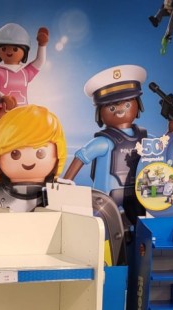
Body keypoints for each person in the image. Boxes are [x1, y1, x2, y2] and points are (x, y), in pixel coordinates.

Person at [63, 64, 148, 225]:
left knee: (140, 223)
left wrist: (172, 133)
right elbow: (81, 156)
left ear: (138, 105)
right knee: (101, 225)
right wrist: (65, 183)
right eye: (112, 107)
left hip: (137, 191)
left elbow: (160, 146)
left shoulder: (143, 137)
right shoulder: (104, 141)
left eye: (127, 105)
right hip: (107, 195)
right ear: (100, 113)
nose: (120, 111)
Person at [0, 104, 66, 212]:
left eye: (40, 153)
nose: (28, 160)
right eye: (15, 154)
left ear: (58, 154)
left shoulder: (66, 195)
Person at [0, 23, 48, 107]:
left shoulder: (25, 72)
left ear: (25, 51)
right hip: (4, 111)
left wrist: (42, 45)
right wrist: (4, 98)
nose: (9, 51)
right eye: (3, 48)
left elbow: (40, 61)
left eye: (15, 49)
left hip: (24, 111)